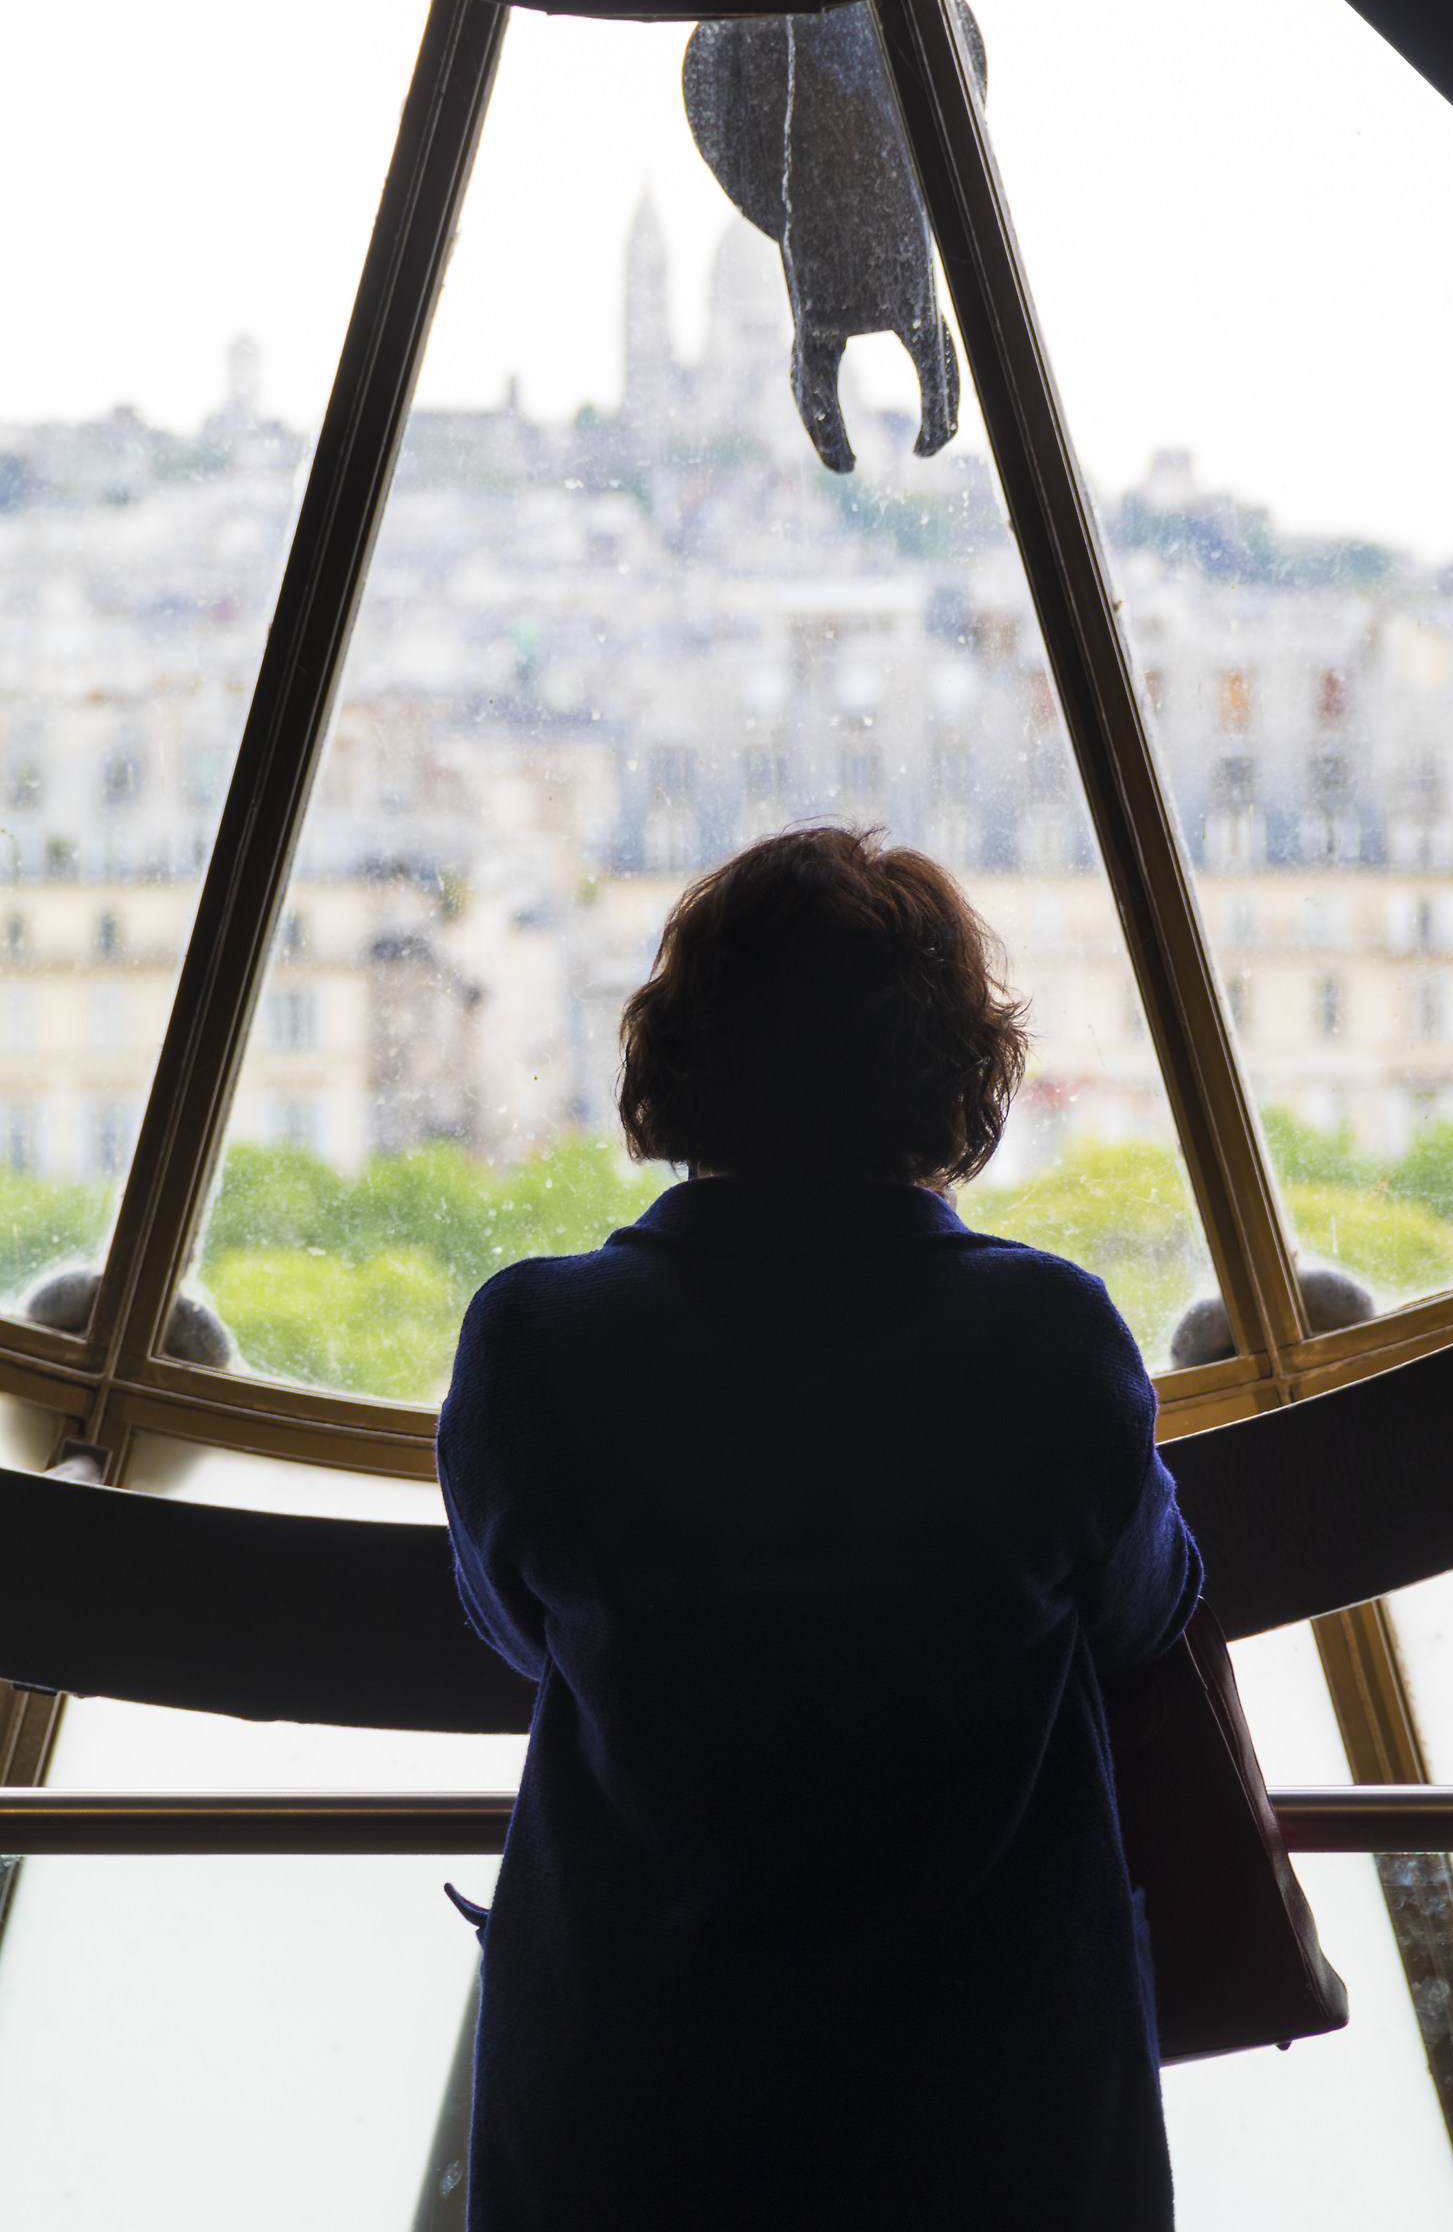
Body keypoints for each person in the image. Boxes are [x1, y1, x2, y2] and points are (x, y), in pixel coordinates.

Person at [437, 825, 1202, 2232]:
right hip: (991, 2101)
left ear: (677, 1049)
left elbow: (516, 1627)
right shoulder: (1046, 1336)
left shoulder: (536, 1339)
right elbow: (1143, 1608)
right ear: (958, 1072)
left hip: (633, 2100)